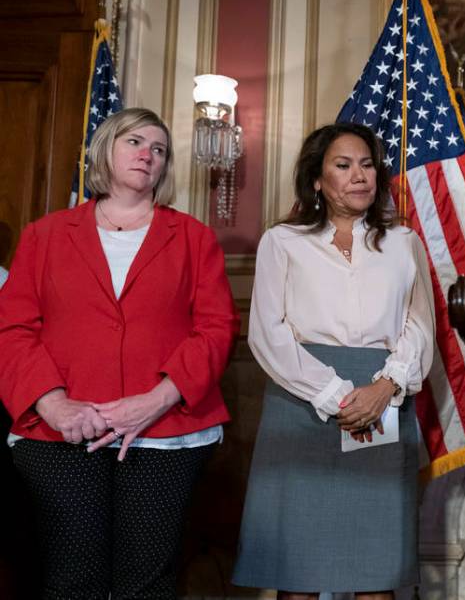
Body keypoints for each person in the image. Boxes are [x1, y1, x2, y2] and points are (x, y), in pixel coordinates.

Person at [0, 107, 240, 599]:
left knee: (147, 582)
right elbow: (13, 329)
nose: (147, 154)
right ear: (104, 150)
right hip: (60, 431)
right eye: (135, 142)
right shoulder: (43, 235)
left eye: (159, 149)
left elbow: (217, 329)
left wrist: (156, 400)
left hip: (165, 433)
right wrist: (54, 403)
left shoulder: (194, 238)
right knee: (72, 578)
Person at [233, 123, 435, 600]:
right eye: (343, 166)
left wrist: (385, 387)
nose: (359, 175)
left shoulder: (403, 243)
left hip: (384, 402)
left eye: (366, 165)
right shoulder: (283, 241)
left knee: (376, 574)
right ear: (318, 181)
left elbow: (420, 326)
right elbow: (268, 333)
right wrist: (338, 395)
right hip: (300, 405)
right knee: (298, 577)